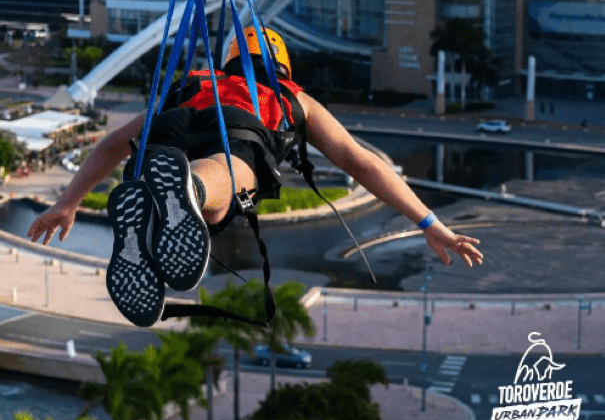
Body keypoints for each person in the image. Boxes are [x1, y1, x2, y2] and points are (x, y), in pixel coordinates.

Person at [28, 27, 483, 327]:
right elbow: (361, 162)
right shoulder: (289, 97)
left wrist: (67, 202)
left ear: (228, 58)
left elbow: (109, 145)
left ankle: (150, 222)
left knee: (168, 181)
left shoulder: (195, 81)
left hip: (173, 126)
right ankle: (190, 189)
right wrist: (429, 222)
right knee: (229, 178)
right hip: (239, 128)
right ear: (283, 66)